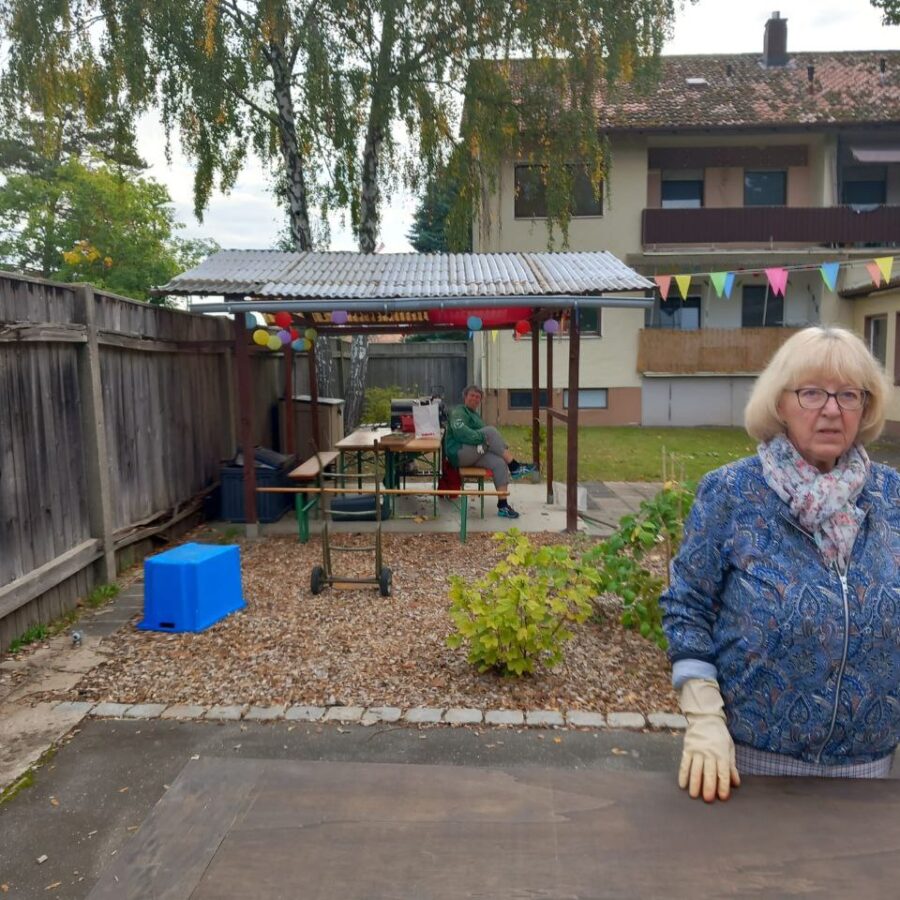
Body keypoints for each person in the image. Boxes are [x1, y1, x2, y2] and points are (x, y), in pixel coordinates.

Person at [660, 326, 899, 802]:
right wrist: (705, 718)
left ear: (866, 407)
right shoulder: (732, 493)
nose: (831, 409)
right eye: (812, 393)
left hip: (872, 775)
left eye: (848, 395)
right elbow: (687, 608)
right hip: (748, 770)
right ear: (780, 404)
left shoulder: (892, 497)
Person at [445, 384, 536, 519]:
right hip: (459, 453)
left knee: (499, 463)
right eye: (472, 396)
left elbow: (488, 441)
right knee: (490, 431)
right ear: (465, 397)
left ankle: (503, 506)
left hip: (473, 453)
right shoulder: (459, 411)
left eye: (478, 397)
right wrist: (482, 437)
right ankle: (515, 466)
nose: (475, 399)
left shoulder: (475, 416)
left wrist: (495, 443)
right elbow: (460, 432)